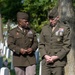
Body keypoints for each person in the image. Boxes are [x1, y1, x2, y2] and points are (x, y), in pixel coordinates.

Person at [39, 8, 71, 75]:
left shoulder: (65, 28)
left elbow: (66, 46)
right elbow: (41, 44)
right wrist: (45, 55)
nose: (50, 21)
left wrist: (56, 57)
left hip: (58, 62)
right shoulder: (44, 29)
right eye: (49, 19)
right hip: (46, 61)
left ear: (57, 18)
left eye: (52, 19)